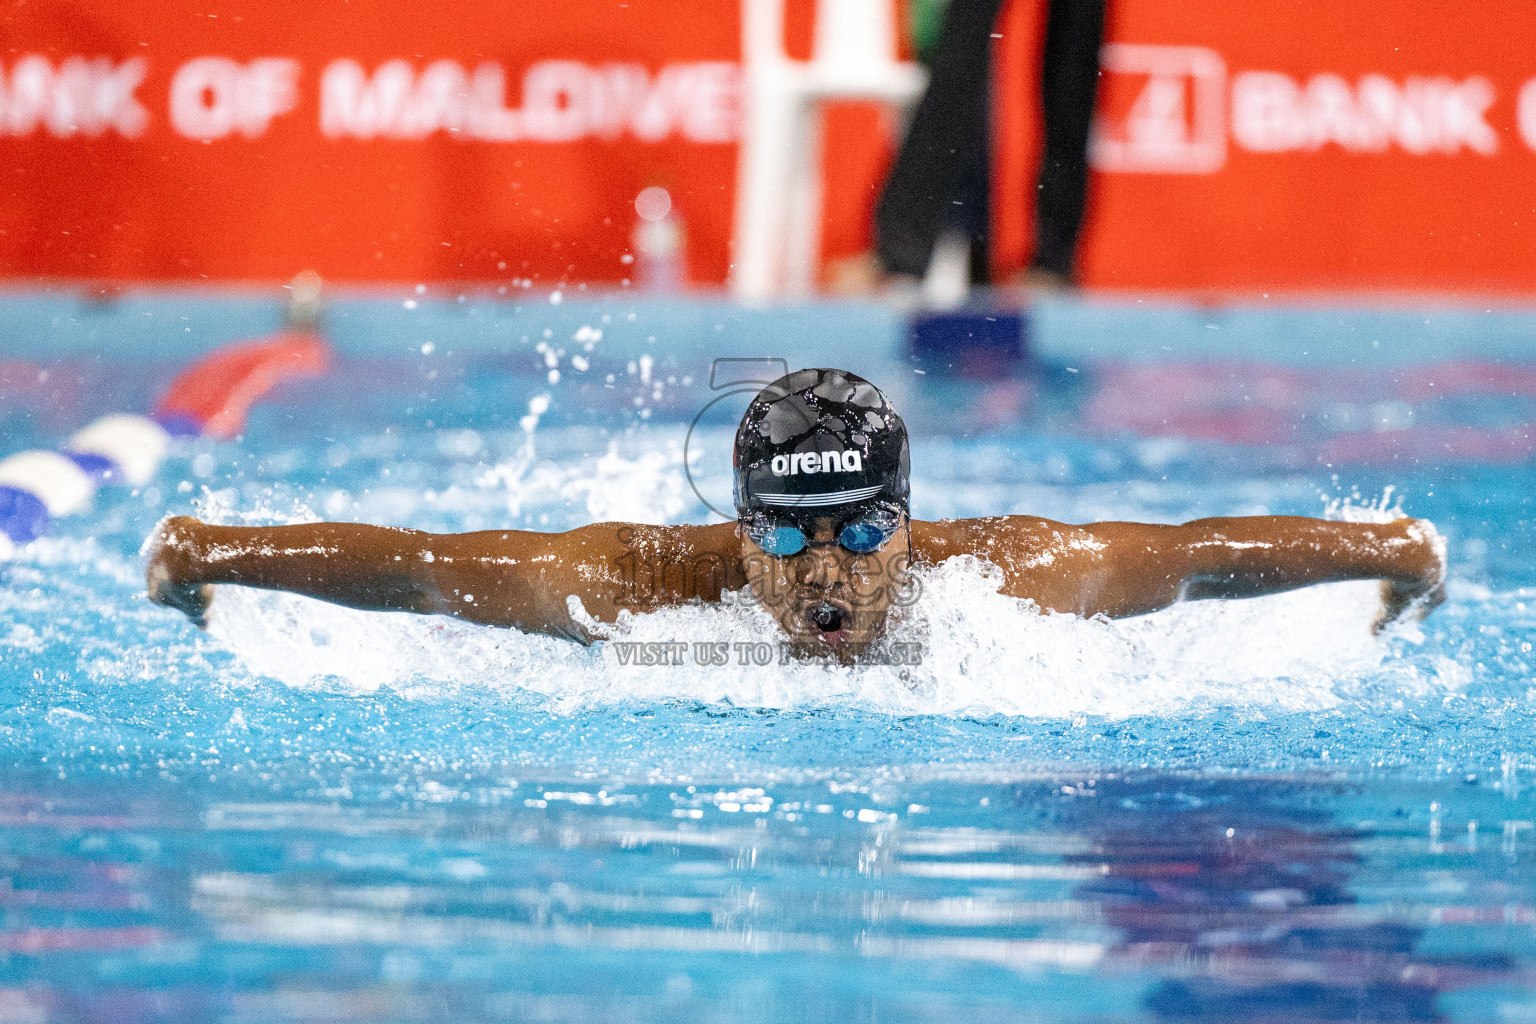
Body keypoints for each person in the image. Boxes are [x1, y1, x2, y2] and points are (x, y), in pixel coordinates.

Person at [144, 368, 1445, 660]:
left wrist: (1394, 555)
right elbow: (428, 570)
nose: (828, 578)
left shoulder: (1016, 574)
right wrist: (212, 558)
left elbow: (1201, 557)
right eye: (784, 539)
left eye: (862, 536)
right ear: (739, 529)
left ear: (909, 522)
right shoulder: (644, 582)